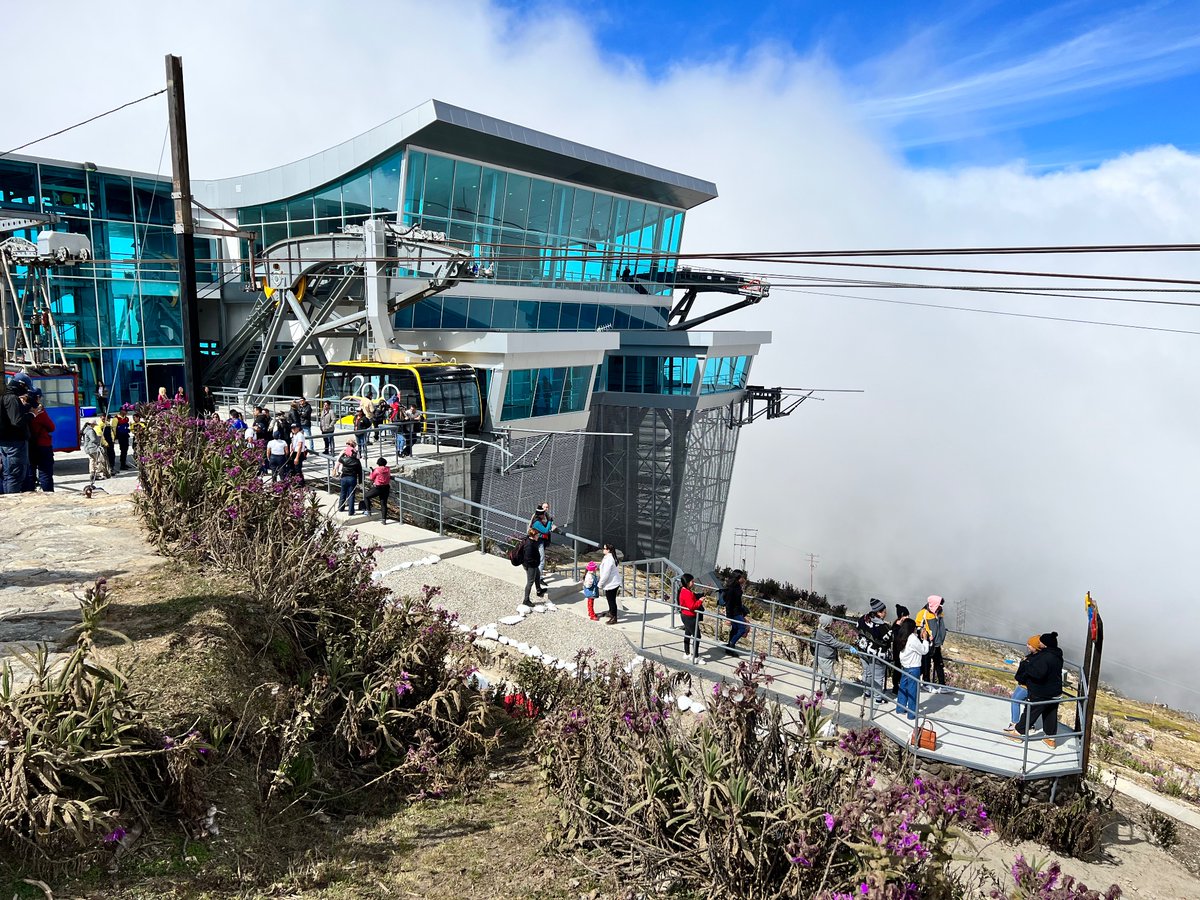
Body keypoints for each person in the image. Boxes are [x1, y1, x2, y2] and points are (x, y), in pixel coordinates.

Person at [1006, 632, 1064, 748]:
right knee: (1050, 715)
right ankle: (1050, 739)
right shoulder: (1058, 655)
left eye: (1041, 641)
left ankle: (1017, 734)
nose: (1039, 642)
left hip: (1042, 692)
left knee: (1030, 712)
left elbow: (1038, 674)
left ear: (1046, 644)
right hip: (1055, 691)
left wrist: (1027, 666)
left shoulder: (1044, 657)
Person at [0, 376, 34, 494]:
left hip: (6, 442)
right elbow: (17, 421)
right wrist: (32, 414)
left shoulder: (4, 396)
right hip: (15, 443)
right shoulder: (12, 398)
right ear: (21, 385)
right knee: (15, 475)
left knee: (8, 474)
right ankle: (12, 501)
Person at [856, 598, 892, 704]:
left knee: (867, 672)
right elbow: (889, 638)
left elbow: (857, 626)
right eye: (884, 611)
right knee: (878, 676)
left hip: (862, 650)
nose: (886, 613)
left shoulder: (863, 618)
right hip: (876, 655)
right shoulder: (882, 627)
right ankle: (878, 698)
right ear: (879, 613)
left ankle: (867, 692)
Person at [895, 618, 931, 721]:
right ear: (912, 628)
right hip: (913, 668)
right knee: (912, 691)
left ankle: (900, 709)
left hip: (905, 666)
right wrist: (925, 639)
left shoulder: (902, 636)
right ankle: (911, 714)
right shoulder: (912, 639)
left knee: (903, 688)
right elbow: (924, 650)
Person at [814, 613, 858, 694]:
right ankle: (826, 694)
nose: (832, 624)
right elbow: (835, 643)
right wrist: (848, 646)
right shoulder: (823, 634)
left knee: (825, 677)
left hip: (826, 657)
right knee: (832, 679)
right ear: (827, 624)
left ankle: (823, 694)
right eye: (831, 623)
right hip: (825, 658)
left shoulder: (822, 631)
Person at [1007, 635, 1041, 731]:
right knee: (1025, 702)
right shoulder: (1035, 657)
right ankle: (1028, 724)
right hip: (1024, 684)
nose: (1027, 645)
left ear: (1035, 647)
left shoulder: (1033, 659)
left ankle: (1015, 723)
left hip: (1026, 685)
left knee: (1015, 700)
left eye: (1030, 644)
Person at [916, 596, 948, 694]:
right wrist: (925, 634)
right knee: (926, 663)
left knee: (939, 664)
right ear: (934, 604)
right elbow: (917, 627)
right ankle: (926, 683)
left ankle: (942, 685)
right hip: (927, 643)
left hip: (937, 644)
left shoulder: (939, 613)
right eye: (938, 604)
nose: (940, 606)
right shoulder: (923, 613)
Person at [26, 389, 55, 492]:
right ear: (37, 397)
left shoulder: (23, 409)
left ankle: (29, 495)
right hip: (43, 445)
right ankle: (49, 495)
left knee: (30, 474)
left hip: (28, 445)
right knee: (45, 474)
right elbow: (51, 427)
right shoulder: (39, 410)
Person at [721, 569, 749, 656]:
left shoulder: (737, 587)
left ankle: (729, 648)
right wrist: (728, 617)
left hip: (737, 611)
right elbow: (729, 603)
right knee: (742, 628)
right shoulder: (732, 588)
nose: (744, 579)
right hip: (734, 613)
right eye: (743, 577)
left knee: (735, 629)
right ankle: (731, 644)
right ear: (738, 578)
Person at [679, 573, 705, 658]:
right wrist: (700, 601)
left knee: (688, 633)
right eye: (692, 581)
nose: (693, 583)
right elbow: (692, 606)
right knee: (697, 636)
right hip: (689, 616)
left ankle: (687, 653)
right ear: (687, 582)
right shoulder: (687, 592)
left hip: (686, 615)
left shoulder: (684, 590)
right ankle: (696, 657)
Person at [520, 527, 547, 607]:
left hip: (534, 565)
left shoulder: (532, 541)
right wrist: (535, 563)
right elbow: (528, 559)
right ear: (534, 535)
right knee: (530, 582)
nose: (539, 536)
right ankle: (526, 600)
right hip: (530, 566)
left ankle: (539, 590)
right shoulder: (529, 545)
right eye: (538, 534)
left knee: (537, 575)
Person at [333, 442, 362, 514]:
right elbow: (360, 471)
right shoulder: (357, 461)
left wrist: (344, 453)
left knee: (343, 493)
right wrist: (360, 480)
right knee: (351, 495)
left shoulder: (344, 460)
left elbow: (339, 459)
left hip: (344, 477)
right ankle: (351, 511)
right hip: (352, 478)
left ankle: (341, 507)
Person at [597, 542, 622, 624]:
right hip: (614, 582)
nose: (603, 550)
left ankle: (614, 617)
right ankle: (611, 612)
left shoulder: (609, 559)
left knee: (611, 600)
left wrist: (600, 584)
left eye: (604, 548)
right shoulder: (611, 557)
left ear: (608, 550)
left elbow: (606, 574)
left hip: (612, 584)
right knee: (610, 599)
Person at [890, 605, 911, 694]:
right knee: (897, 668)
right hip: (897, 651)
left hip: (901, 650)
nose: (908, 617)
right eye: (906, 615)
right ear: (902, 615)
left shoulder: (901, 625)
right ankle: (896, 686)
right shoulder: (896, 627)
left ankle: (900, 686)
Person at [364, 457, 392, 522]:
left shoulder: (377, 470)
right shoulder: (388, 469)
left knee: (366, 496)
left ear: (378, 463)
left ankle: (368, 511)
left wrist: (371, 471)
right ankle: (384, 519)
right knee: (383, 503)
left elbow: (371, 478)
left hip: (378, 487)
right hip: (386, 487)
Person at [530, 503, 554, 574]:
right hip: (538, 541)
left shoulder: (538, 520)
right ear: (540, 514)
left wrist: (549, 523)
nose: (544, 515)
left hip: (539, 541)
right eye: (543, 514)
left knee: (538, 559)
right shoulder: (537, 522)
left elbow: (547, 528)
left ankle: (536, 575)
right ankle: (538, 577)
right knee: (541, 560)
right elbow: (546, 531)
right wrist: (550, 521)